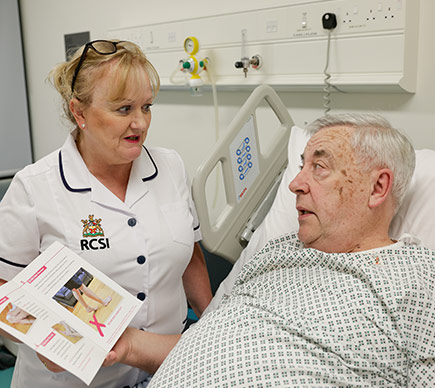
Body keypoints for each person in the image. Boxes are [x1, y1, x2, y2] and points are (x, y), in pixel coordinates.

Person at [103, 113, 435, 387]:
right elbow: (208, 344)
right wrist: (128, 343)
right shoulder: (277, 252)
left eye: (319, 167)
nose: (295, 183)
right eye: (301, 165)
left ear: (378, 187)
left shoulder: (418, 278)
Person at [0, 39, 212, 388]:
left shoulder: (170, 166)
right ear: (79, 113)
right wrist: (41, 336)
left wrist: (214, 324)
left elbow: (189, 256)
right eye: (124, 109)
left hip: (168, 370)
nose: (140, 123)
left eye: (146, 107)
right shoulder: (35, 188)